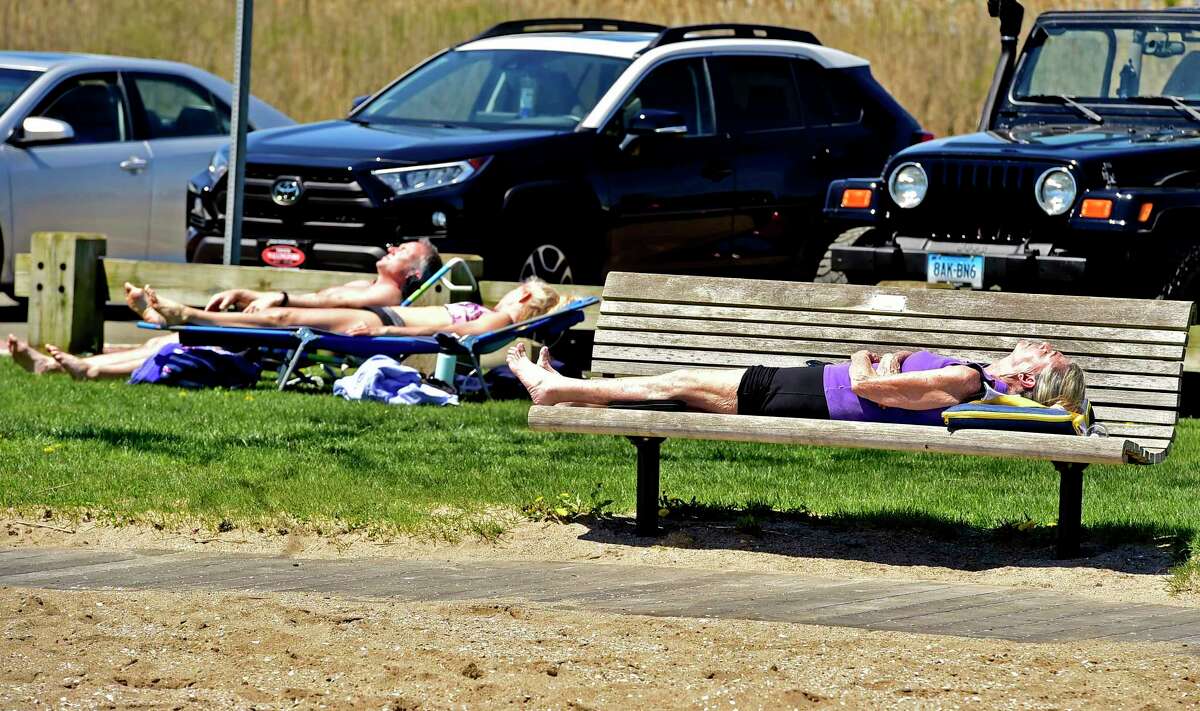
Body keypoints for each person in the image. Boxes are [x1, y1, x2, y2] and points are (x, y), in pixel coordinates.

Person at [6, 238, 442, 380]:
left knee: (176, 343)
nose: (391, 247)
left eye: (402, 249)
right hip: (277, 325)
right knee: (167, 340)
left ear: (413, 273)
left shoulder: (383, 300)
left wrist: (278, 299)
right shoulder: (369, 286)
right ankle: (77, 366)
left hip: (287, 336)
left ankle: (86, 369)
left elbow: (324, 308)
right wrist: (254, 296)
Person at [506, 340, 1087, 424]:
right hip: (809, 391)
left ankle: (556, 388)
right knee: (682, 390)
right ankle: (568, 386)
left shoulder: (965, 380)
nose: (1037, 342)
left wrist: (866, 360)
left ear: (1032, 377)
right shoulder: (973, 379)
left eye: (1048, 353)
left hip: (812, 395)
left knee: (682, 382)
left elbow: (871, 389)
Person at [131, 277, 565, 338]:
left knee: (281, 319)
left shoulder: (499, 318)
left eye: (515, 290)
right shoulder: (501, 319)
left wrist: (386, 333)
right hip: (381, 320)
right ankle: (175, 318)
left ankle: (187, 314)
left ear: (524, 297)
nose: (509, 293)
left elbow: (455, 335)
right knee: (279, 320)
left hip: (381, 322)